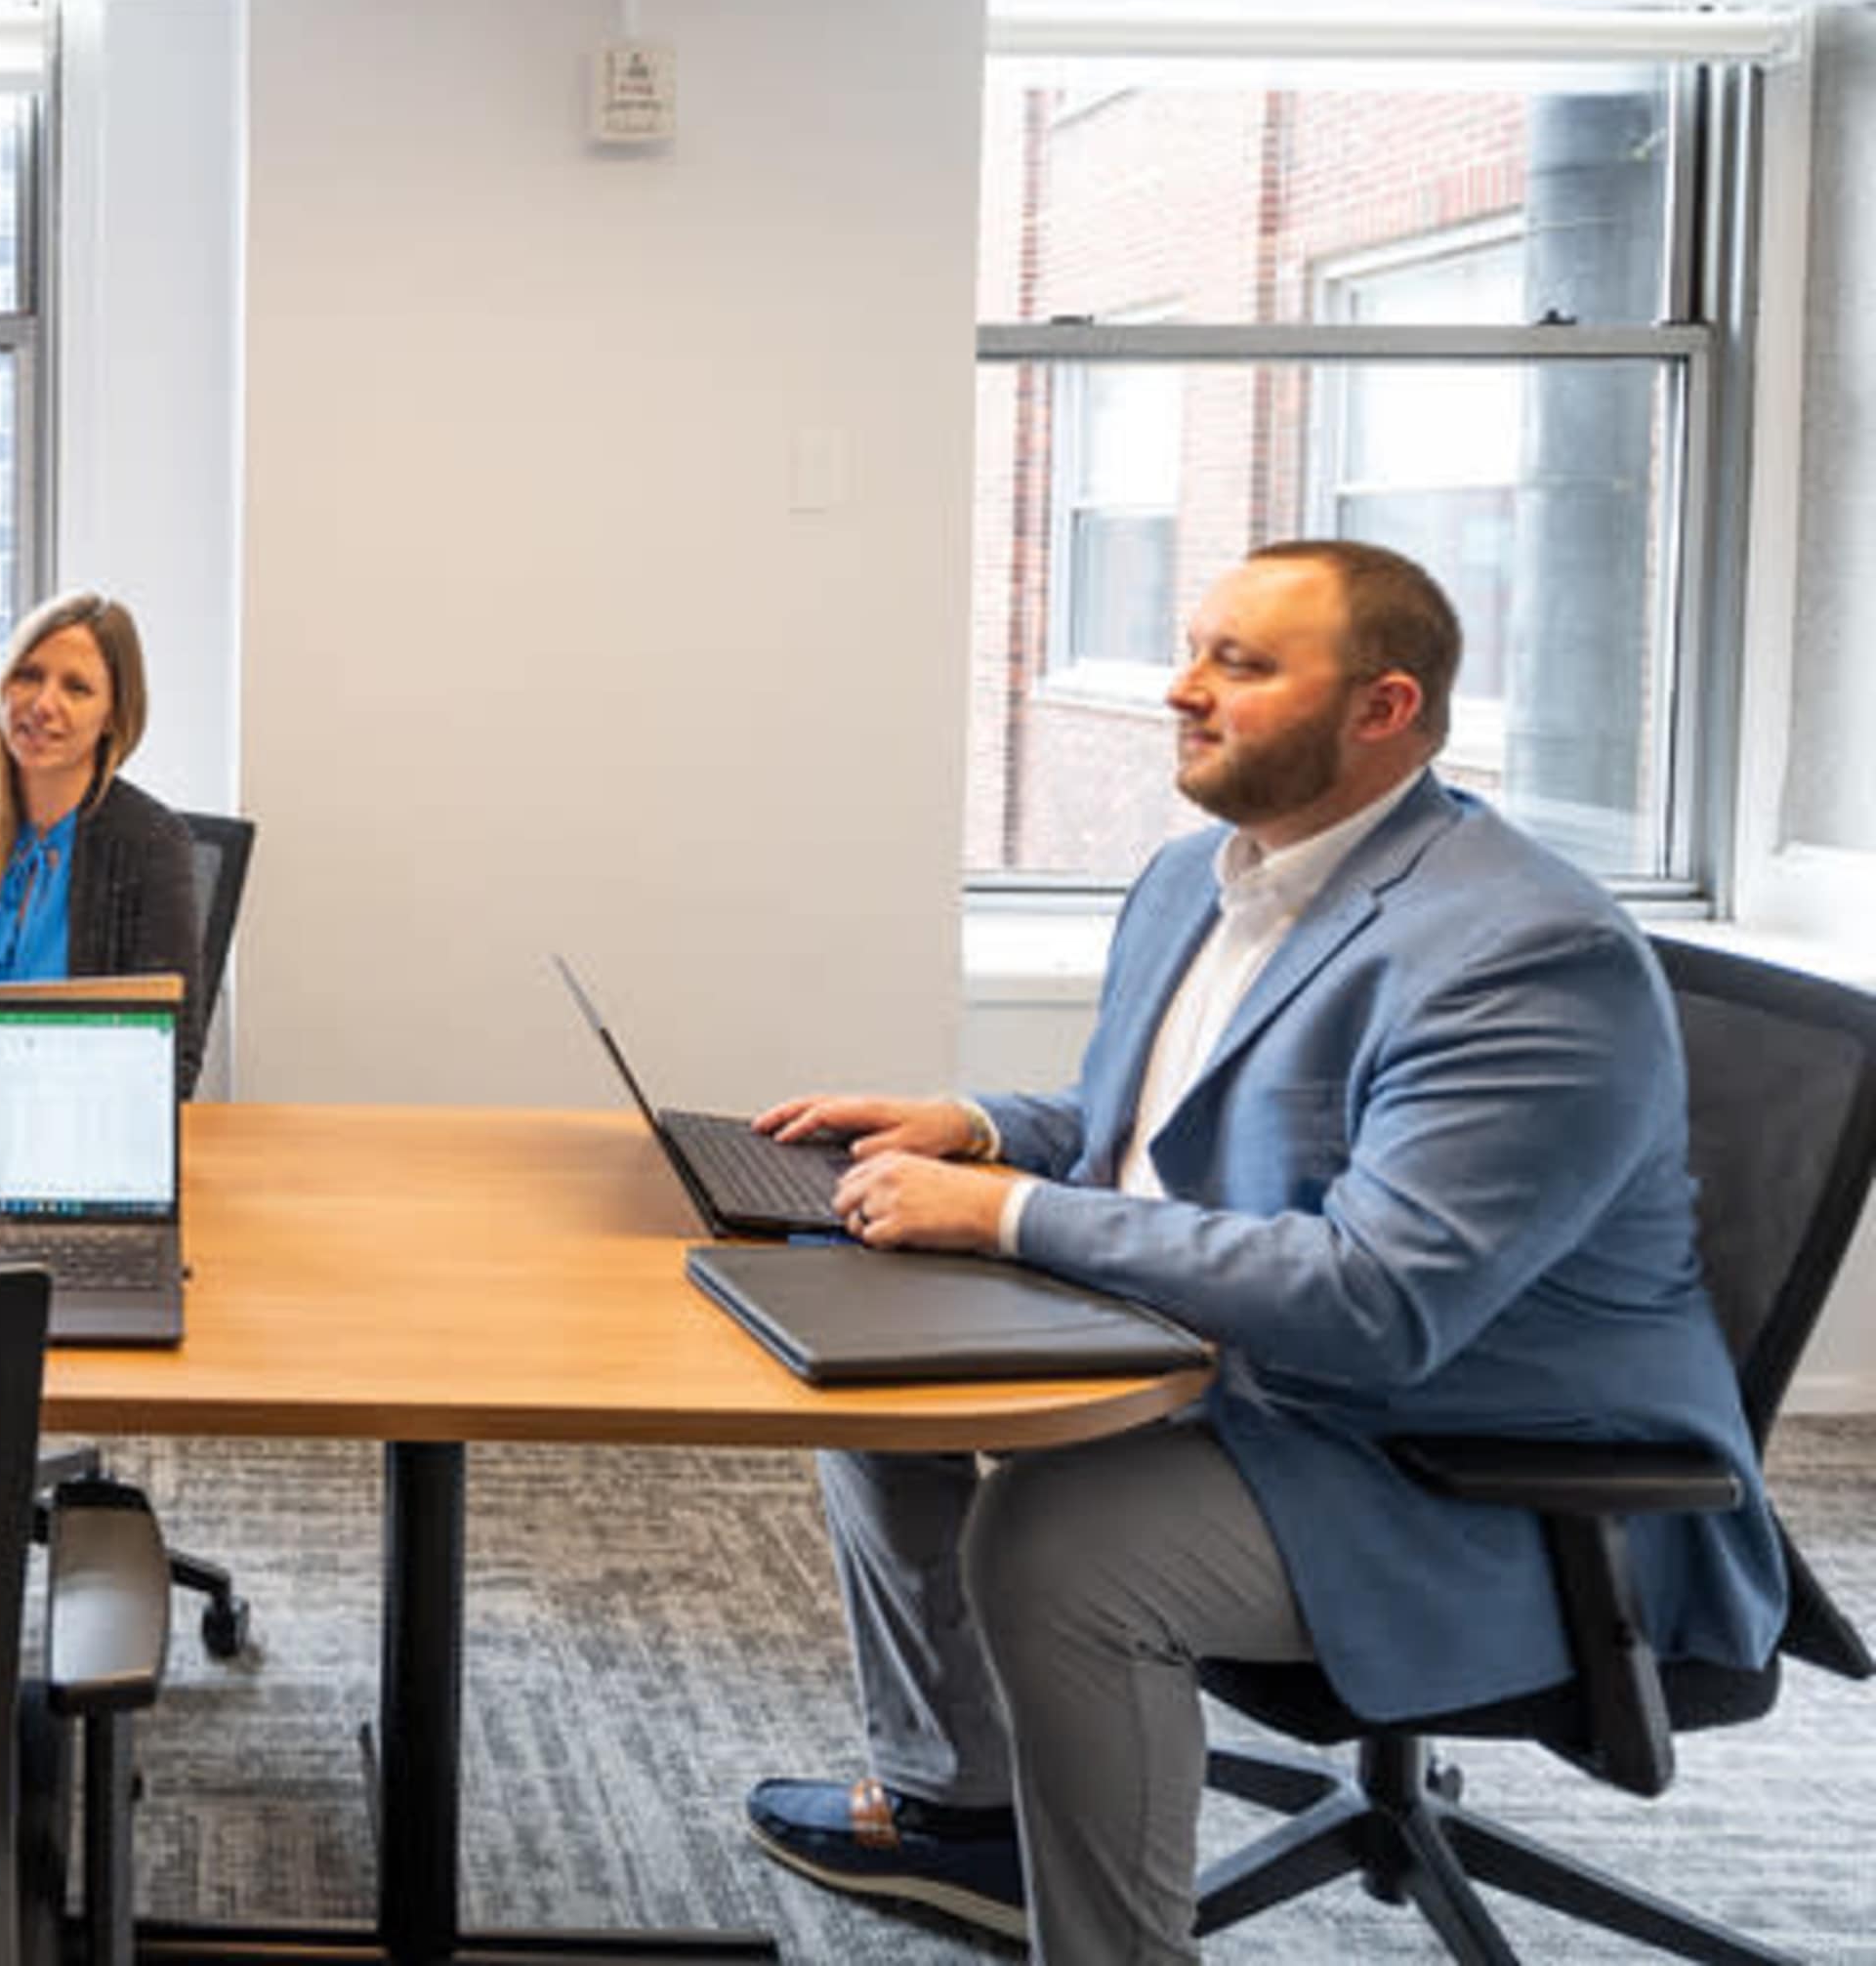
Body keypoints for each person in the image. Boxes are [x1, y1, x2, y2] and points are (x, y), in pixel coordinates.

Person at [733, 543, 1788, 1963]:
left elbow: (1378, 1301)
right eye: (1193, 648)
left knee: (1061, 1547)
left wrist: (1009, 1216)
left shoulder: (1521, 952)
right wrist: (985, 1129)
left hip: (1477, 1473)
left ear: (1382, 706)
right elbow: (1167, 1125)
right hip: (1262, 1388)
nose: (1181, 689)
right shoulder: (1200, 878)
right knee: (871, 1367)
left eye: (1241, 663)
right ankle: (963, 1815)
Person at [0, 591, 208, 1099]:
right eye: (29, 675)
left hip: (85, 1136)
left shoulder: (152, 843)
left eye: (77, 688)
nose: (43, 705)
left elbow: (172, 1057)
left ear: (112, 715)